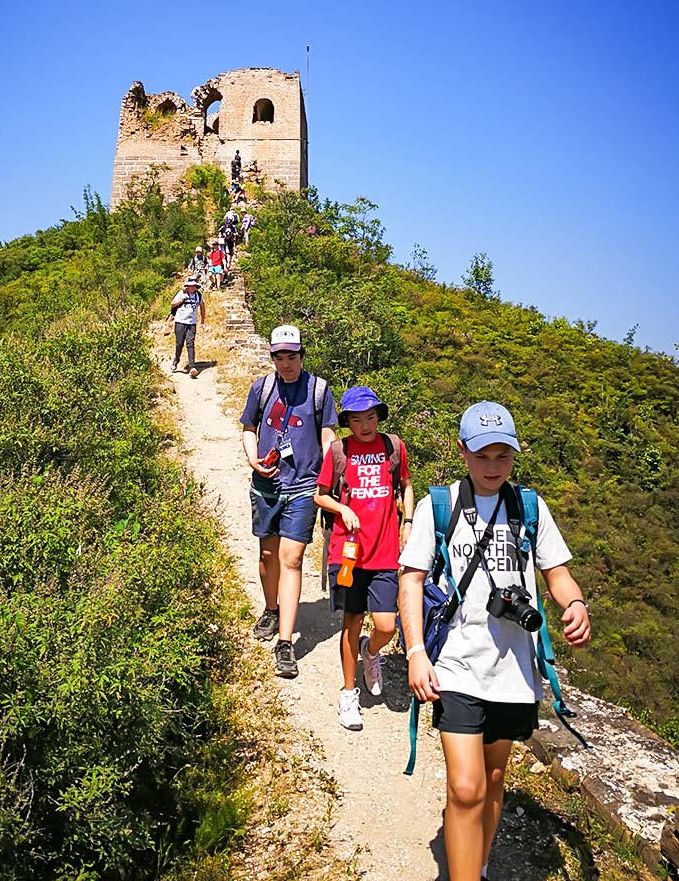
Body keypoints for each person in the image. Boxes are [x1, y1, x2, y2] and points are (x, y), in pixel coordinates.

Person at [399, 402, 591, 881]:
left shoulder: (528, 507)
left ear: (513, 457)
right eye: (482, 455)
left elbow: (556, 572)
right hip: (457, 666)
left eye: (502, 457)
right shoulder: (438, 506)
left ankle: (478, 865)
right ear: (462, 452)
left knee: (493, 779)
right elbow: (411, 581)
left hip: (513, 672)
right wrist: (417, 653)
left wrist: (575, 605)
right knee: (466, 788)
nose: (491, 467)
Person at [240, 325, 337, 678]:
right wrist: (253, 460)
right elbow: (249, 427)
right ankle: (271, 607)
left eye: (291, 356)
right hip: (266, 484)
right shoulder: (262, 388)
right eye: (279, 357)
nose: (285, 363)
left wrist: (331, 474)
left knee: (291, 558)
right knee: (268, 554)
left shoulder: (319, 390)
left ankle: (285, 642)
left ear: (301, 355)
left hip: (303, 485)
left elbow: (328, 433)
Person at [315, 386, 414, 730]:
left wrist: (408, 521)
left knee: (386, 626)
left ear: (379, 417)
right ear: (347, 423)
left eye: (371, 418)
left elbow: (406, 485)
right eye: (357, 420)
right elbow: (321, 496)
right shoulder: (340, 451)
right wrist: (342, 507)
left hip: (385, 552)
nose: (366, 426)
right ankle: (348, 692)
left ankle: (370, 653)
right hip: (348, 552)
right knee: (351, 620)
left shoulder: (393, 447)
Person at [169, 277, 206, 378]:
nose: (192, 287)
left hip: (192, 323)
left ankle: (192, 367)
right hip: (180, 322)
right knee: (179, 343)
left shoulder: (199, 295)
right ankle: (176, 360)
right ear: (187, 286)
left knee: (190, 343)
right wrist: (181, 300)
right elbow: (172, 304)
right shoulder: (181, 293)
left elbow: (202, 307)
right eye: (190, 285)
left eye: (194, 285)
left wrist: (202, 321)